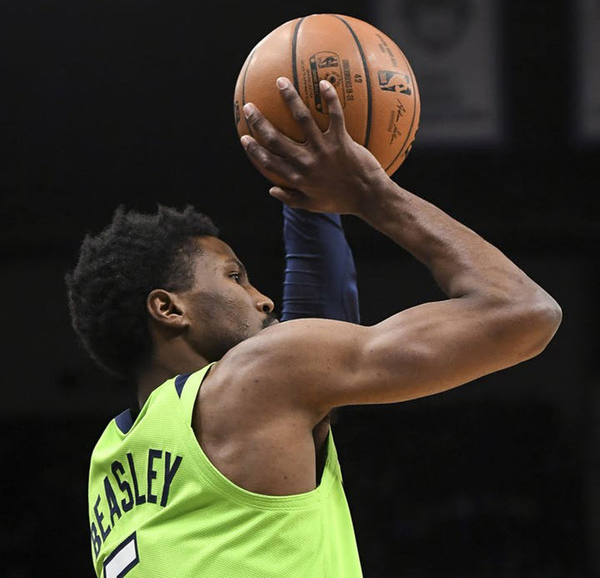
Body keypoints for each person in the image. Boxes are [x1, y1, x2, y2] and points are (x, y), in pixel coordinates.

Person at [66, 77, 562, 578]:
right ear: (168, 309)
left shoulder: (108, 461)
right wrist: (371, 195)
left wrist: (306, 199)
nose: (263, 299)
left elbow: (309, 335)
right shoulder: (254, 382)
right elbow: (523, 311)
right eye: (235, 277)